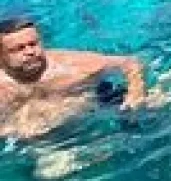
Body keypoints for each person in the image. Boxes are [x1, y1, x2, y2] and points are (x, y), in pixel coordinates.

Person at [0, 17, 160, 140]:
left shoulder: (72, 66)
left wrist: (136, 91)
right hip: (31, 132)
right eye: (18, 49)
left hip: (92, 104)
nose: (30, 52)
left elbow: (129, 62)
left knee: (156, 102)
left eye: (33, 44)